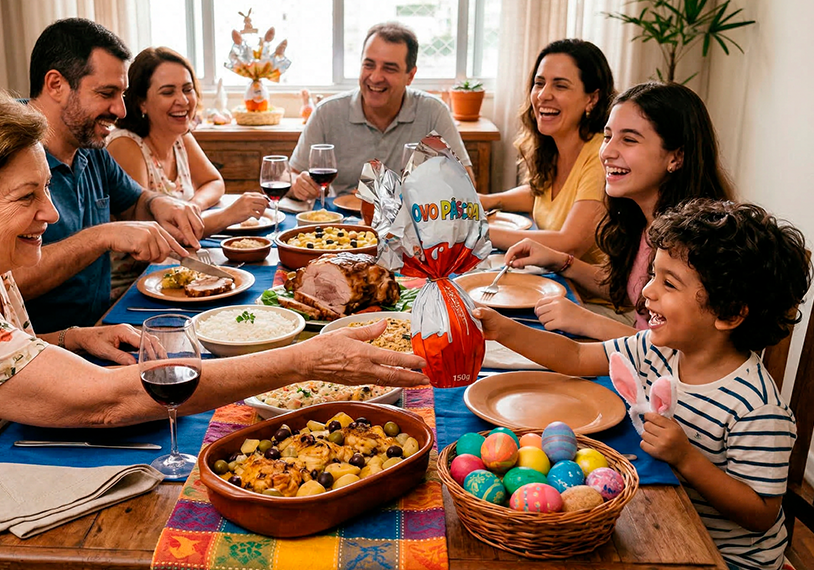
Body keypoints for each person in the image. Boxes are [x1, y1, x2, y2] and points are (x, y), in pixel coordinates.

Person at [0, 88, 430, 570]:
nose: (50, 214)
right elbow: (105, 404)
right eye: (27, 199)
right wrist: (306, 360)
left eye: (47, 190)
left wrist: (69, 339)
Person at [474, 198, 811, 570]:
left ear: (729, 313)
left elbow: (761, 512)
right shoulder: (657, 347)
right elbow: (575, 357)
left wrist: (687, 459)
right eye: (653, 274)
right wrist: (504, 330)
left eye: (668, 283)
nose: (648, 291)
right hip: (667, 523)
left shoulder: (757, 407)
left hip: (725, 559)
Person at [16, 18, 205, 334]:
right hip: (40, 348)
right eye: (107, 93)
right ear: (55, 85)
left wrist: (161, 204)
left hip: (102, 325)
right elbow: (5, 283)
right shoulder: (4, 151)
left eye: (122, 94)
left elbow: (135, 202)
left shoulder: (89, 143)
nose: (121, 110)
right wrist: (100, 236)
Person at [504, 82, 734, 339]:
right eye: (608, 136)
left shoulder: (693, 244)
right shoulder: (646, 218)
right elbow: (627, 289)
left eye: (629, 140)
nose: (607, 152)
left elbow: (675, 353)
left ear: (676, 157)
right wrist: (559, 260)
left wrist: (589, 322)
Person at [288, 22, 471, 200]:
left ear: (410, 76)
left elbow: (465, 183)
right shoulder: (326, 112)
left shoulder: (433, 111)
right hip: (340, 224)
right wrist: (298, 185)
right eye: (368, 65)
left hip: (411, 223)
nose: (375, 77)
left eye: (389, 69)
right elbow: (289, 176)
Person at [478, 39, 615, 264]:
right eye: (539, 83)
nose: (543, 95)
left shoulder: (602, 155)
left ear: (592, 99)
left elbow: (570, 244)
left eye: (560, 86)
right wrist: (488, 200)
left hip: (587, 298)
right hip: (552, 282)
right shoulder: (554, 147)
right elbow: (541, 195)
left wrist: (477, 232)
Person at [107, 47, 269, 235]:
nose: (183, 101)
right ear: (141, 102)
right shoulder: (126, 145)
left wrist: (192, 208)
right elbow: (150, 233)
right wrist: (228, 215)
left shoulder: (180, 137)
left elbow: (214, 182)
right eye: (168, 92)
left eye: (187, 89)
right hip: (145, 262)